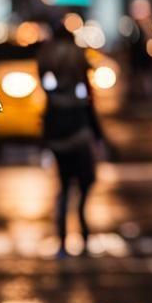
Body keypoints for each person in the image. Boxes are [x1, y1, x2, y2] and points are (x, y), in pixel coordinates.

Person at [37, 21, 104, 257]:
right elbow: (88, 98)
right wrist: (98, 133)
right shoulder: (77, 56)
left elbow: (45, 90)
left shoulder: (46, 57)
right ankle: (84, 234)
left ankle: (63, 241)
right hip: (78, 127)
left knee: (64, 186)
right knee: (85, 181)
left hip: (57, 130)